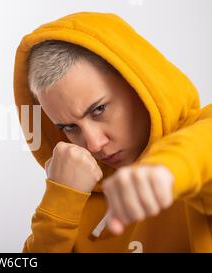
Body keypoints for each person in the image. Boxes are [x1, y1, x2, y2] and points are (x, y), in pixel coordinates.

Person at [13, 12, 212, 252]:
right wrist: (61, 201)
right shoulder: (76, 192)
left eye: (98, 110)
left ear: (136, 82)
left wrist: (165, 170)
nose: (93, 145)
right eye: (69, 127)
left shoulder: (201, 135)